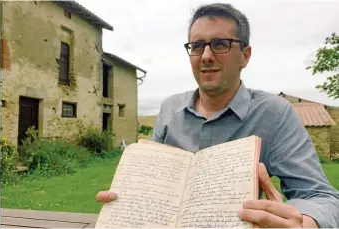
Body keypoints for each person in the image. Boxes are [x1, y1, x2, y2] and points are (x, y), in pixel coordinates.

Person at [95, 3, 339, 228]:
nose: (206, 56)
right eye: (197, 46)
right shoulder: (170, 109)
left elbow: (321, 196)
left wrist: (306, 223)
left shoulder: (275, 113)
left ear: (245, 55)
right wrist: (125, 199)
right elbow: (153, 188)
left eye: (220, 44)